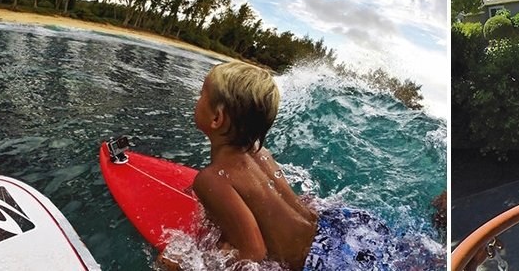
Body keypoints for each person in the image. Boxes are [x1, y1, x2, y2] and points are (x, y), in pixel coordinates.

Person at [161, 60, 442, 270]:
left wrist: (193, 262)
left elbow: (254, 254)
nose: (198, 99)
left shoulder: (212, 179)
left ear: (217, 118)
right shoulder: (261, 152)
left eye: (202, 93)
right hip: (340, 226)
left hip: (320, 260)